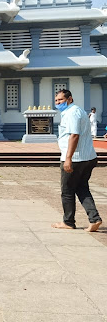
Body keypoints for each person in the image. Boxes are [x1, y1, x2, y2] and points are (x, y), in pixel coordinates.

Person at [51, 89, 102, 232]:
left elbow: (74, 135)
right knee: (82, 188)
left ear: (70, 99)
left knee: (67, 191)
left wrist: (68, 159)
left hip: (76, 158)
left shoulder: (72, 113)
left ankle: (68, 222)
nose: (58, 103)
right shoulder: (75, 111)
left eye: (61, 100)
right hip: (88, 157)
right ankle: (94, 218)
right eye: (56, 100)